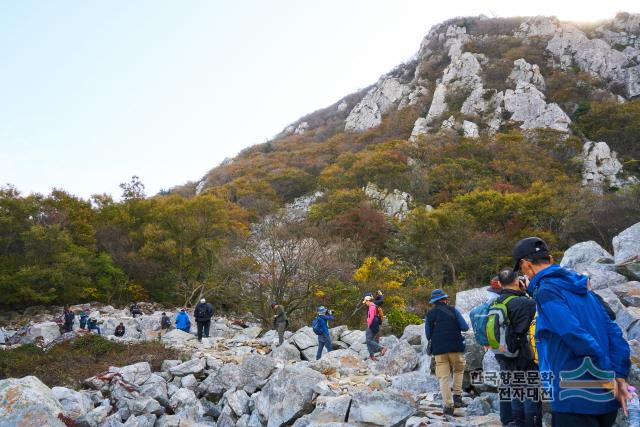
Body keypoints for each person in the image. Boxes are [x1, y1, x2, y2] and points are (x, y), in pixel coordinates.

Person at [513, 237, 631, 427]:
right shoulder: (583, 288)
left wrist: (608, 378)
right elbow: (614, 333)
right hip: (606, 400)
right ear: (550, 259)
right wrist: (619, 375)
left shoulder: (546, 292)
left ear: (525, 265)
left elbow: (574, 335)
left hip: (574, 399)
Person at [493, 268, 540, 427]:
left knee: (515, 390)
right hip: (524, 354)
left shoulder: (495, 302)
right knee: (530, 392)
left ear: (499, 283)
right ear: (516, 281)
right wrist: (527, 289)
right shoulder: (526, 303)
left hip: (503, 354)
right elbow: (541, 303)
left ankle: (516, 422)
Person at [425, 289, 468, 416]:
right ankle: (458, 397)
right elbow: (465, 327)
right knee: (458, 370)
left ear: (433, 302)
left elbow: (428, 335)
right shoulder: (453, 310)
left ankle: (448, 406)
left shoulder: (430, 315)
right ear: (445, 299)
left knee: (443, 377)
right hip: (455, 347)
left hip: (439, 350)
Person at [363, 295, 387, 361]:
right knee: (369, 340)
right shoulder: (374, 305)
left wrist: (368, 325)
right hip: (375, 325)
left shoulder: (371, 307)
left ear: (368, 301)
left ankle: (381, 348)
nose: (365, 303)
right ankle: (372, 356)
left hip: (372, 325)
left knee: (368, 340)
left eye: (366, 302)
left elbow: (371, 317)